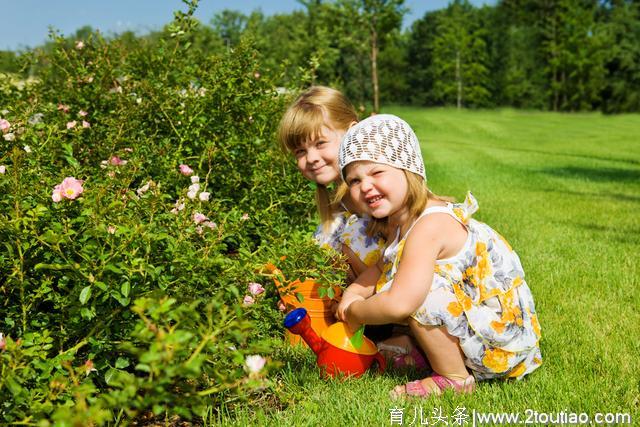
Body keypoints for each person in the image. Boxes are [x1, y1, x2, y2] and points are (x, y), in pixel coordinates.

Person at [335, 114, 542, 398]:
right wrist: (354, 292)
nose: (365, 186)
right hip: (483, 327)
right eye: (354, 180)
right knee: (405, 280)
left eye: (376, 172)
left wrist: (357, 313)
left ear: (408, 168)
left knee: (417, 293)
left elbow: (399, 304)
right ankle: (426, 351)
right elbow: (383, 265)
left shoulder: (429, 225)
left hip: (501, 343)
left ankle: (454, 377)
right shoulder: (401, 223)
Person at [278, 88, 425, 365]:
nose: (311, 158)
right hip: (372, 301)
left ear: (352, 132)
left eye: (321, 143)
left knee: (348, 240)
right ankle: (389, 340)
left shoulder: (380, 198)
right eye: (300, 151)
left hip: (412, 296)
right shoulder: (338, 214)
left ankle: (408, 337)